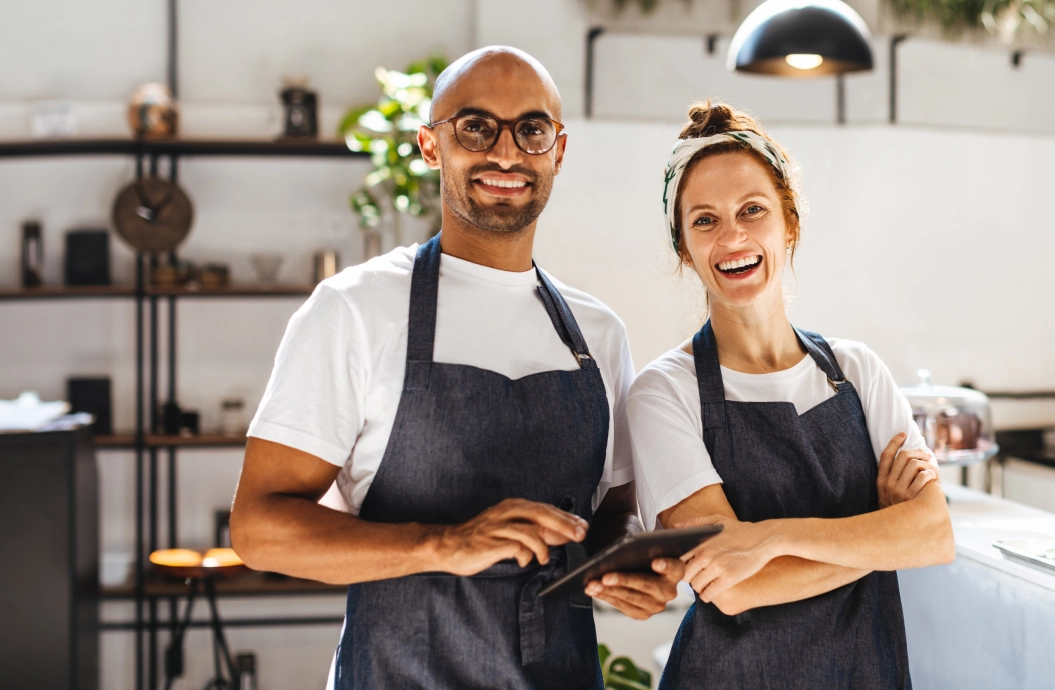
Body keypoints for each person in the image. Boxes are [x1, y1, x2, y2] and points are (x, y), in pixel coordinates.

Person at [229, 47, 684, 690]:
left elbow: (613, 512)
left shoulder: (597, 334)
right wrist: (443, 543)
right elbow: (258, 530)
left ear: (557, 151)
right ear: (430, 146)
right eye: (475, 126)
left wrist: (629, 570)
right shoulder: (356, 309)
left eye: (531, 129)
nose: (506, 153)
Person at [627, 102, 956, 689]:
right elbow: (734, 585)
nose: (732, 237)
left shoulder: (857, 371)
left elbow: (934, 535)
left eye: (752, 210)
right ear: (683, 247)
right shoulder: (664, 393)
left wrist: (770, 537)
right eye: (704, 220)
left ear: (790, 223)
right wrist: (881, 528)